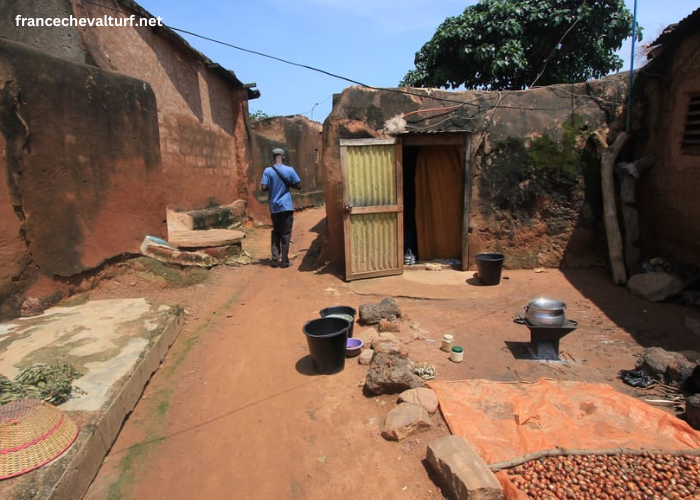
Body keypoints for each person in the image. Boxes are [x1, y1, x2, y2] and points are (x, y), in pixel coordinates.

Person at [260, 148, 302, 268]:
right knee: (286, 233)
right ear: (283, 157)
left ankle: (274, 259)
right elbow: (299, 185)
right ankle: (284, 261)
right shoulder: (290, 170)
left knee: (276, 232)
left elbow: (263, 187)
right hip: (286, 206)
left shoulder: (268, 171)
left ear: (273, 158)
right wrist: (288, 183)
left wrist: (273, 187)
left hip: (274, 206)